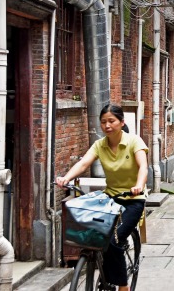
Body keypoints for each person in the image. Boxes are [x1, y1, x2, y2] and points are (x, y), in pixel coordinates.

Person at [56, 104, 148, 291]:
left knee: (114, 241)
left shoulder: (134, 141)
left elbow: (143, 167)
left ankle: (123, 285)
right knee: (97, 236)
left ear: (122, 122)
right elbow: (83, 164)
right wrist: (66, 177)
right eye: (103, 122)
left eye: (111, 121)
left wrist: (139, 184)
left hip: (133, 199)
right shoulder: (100, 145)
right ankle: (106, 277)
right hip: (111, 198)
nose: (107, 125)